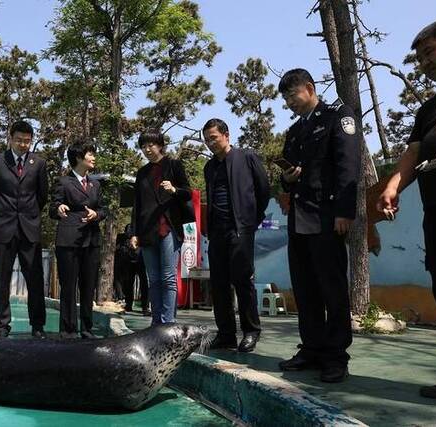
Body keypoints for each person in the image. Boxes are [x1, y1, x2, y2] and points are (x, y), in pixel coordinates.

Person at [377, 19, 436, 398]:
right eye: (419, 59)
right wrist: (393, 185)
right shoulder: (429, 107)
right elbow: (414, 152)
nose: (424, 64)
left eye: (429, 53)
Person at [277, 69, 360, 383]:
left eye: (292, 96)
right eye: (285, 99)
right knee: (305, 288)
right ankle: (311, 348)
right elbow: (285, 174)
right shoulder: (295, 131)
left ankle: (336, 356)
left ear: (309, 88)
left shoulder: (337, 116)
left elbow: (348, 165)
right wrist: (285, 178)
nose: (289, 103)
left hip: (327, 217)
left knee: (332, 288)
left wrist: (344, 212)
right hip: (299, 219)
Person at [202, 118, 270, 353]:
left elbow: (263, 190)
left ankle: (251, 332)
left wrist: (252, 219)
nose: (210, 143)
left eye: (214, 138)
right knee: (219, 285)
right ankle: (226, 334)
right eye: (206, 140)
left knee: (242, 280)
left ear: (226, 135)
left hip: (240, 229)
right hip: (217, 232)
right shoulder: (209, 167)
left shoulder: (246, 157)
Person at [0, 120, 49, 338]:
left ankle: (38, 325)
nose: (23, 144)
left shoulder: (38, 164)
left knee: (35, 279)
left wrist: (28, 215)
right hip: (4, 228)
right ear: (10, 138)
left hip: (29, 228)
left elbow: (42, 196)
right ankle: (2, 326)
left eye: (27, 141)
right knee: (1, 279)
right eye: (19, 140)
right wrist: (4, 213)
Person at [130, 130, 191, 325]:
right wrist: (134, 232)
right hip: (148, 230)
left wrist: (174, 190)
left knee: (168, 277)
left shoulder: (174, 165)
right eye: (143, 146)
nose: (147, 150)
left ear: (161, 145)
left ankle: (168, 322)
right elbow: (137, 205)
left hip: (169, 228)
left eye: (151, 145)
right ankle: (156, 322)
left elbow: (188, 193)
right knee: (153, 279)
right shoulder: (142, 173)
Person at [50, 141, 107, 339]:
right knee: (68, 286)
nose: (93, 157)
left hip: (91, 240)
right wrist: (59, 209)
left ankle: (87, 329)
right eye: (89, 154)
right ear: (77, 158)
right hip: (68, 240)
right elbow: (52, 208)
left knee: (88, 286)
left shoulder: (96, 183)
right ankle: (68, 329)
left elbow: (103, 209)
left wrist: (96, 214)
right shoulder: (63, 182)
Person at [116, 224, 149, 315]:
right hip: (129, 260)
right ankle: (129, 305)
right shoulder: (127, 232)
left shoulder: (142, 230)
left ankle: (145, 307)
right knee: (129, 283)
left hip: (140, 259)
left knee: (143, 283)